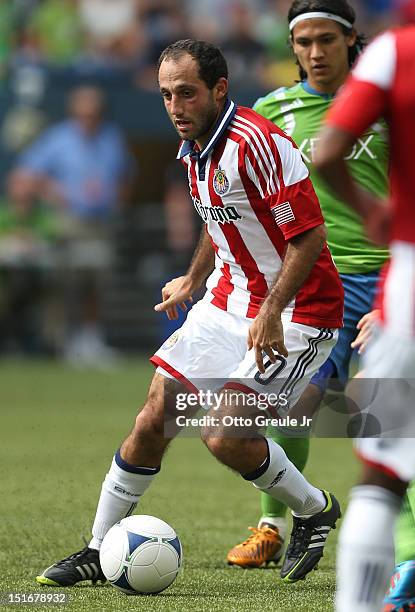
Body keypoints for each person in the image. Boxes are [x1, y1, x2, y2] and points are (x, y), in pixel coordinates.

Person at [36, 39, 343, 588]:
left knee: (224, 434)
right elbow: (219, 215)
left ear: (219, 90)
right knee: (154, 416)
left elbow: (309, 234)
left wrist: (271, 309)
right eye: (165, 95)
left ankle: (314, 508)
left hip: (298, 312)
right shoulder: (195, 145)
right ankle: (96, 548)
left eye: (186, 93)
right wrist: (194, 278)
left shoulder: (256, 143)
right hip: (225, 302)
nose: (175, 106)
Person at [227, 0, 389, 569]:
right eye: (305, 43)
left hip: (381, 280)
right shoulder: (271, 112)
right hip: (311, 285)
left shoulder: (390, 106)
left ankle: (402, 550)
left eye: (327, 40)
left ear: (351, 40)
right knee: (291, 406)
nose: (316, 53)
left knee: (387, 414)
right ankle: (275, 524)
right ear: (292, 49)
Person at [314, 22, 415, 612]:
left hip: (407, 274)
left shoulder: (394, 52)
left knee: (382, 462)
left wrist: (373, 213)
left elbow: (328, 151)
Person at [13, 85, 133, 365]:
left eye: (93, 113)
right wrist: (56, 192)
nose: (88, 118)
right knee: (68, 281)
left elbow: (125, 175)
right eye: (83, 113)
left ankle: (90, 341)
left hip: (100, 222)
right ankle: (66, 339)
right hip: (68, 223)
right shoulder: (59, 138)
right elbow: (27, 175)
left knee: (98, 280)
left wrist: (116, 198)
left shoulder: (111, 138)